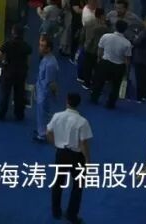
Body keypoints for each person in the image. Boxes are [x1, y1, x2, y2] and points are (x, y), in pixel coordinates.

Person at [47, 93, 92, 223]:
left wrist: (56, 145)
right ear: (78, 104)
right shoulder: (82, 122)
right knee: (78, 186)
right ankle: (71, 214)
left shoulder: (57, 116)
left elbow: (48, 132)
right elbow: (83, 143)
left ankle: (56, 211)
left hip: (61, 153)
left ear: (67, 101)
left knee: (58, 183)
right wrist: (88, 160)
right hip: (77, 156)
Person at [0, 24, 32, 121]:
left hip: (8, 72)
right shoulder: (26, 46)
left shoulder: (8, 44)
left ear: (13, 32)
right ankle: (19, 114)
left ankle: (1, 113)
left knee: (5, 94)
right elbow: (28, 60)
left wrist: (1, 62)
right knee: (19, 94)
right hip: (21, 73)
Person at [92, 20, 132, 108]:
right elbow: (127, 60)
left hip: (105, 62)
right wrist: (127, 71)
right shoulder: (127, 43)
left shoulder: (105, 36)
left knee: (99, 82)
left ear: (115, 27)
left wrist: (99, 60)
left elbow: (100, 50)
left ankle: (94, 98)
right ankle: (111, 104)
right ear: (125, 29)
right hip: (118, 66)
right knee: (115, 86)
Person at [34, 34, 60, 143]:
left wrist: (53, 94)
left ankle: (43, 135)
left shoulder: (50, 64)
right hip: (41, 90)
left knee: (44, 114)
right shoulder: (45, 58)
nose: (39, 48)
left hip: (45, 93)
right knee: (41, 114)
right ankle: (41, 130)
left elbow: (51, 83)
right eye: (40, 45)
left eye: (42, 46)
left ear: (48, 48)